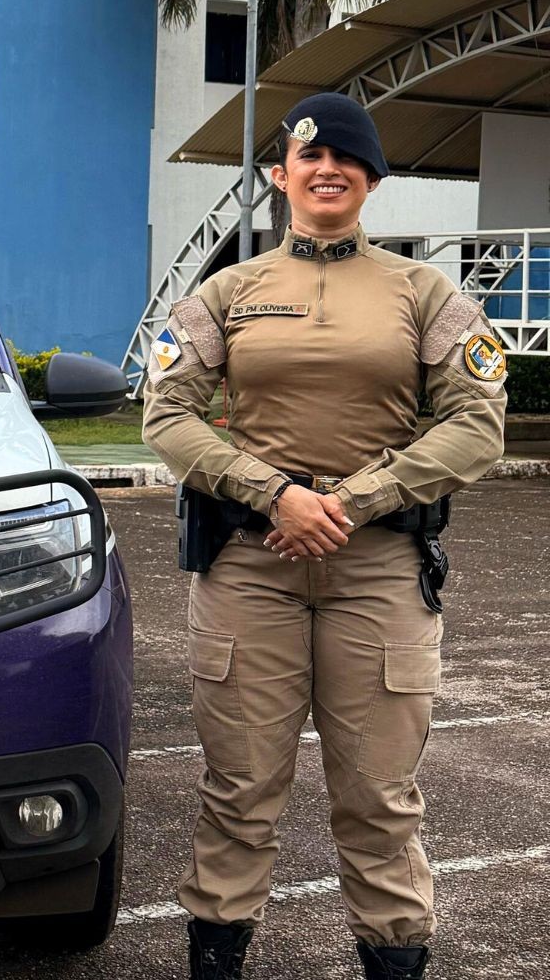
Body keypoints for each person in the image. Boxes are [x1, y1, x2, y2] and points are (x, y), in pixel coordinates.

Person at [143, 91, 508, 980]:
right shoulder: (228, 291)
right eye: (308, 157)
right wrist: (273, 495)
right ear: (281, 177)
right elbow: (166, 414)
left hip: (377, 570)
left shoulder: (423, 292)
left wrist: (355, 498)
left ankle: (393, 958)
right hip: (249, 571)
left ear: (372, 180)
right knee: (238, 794)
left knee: (382, 800)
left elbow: (477, 421)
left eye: (347, 159)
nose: (327, 169)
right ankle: (217, 960)